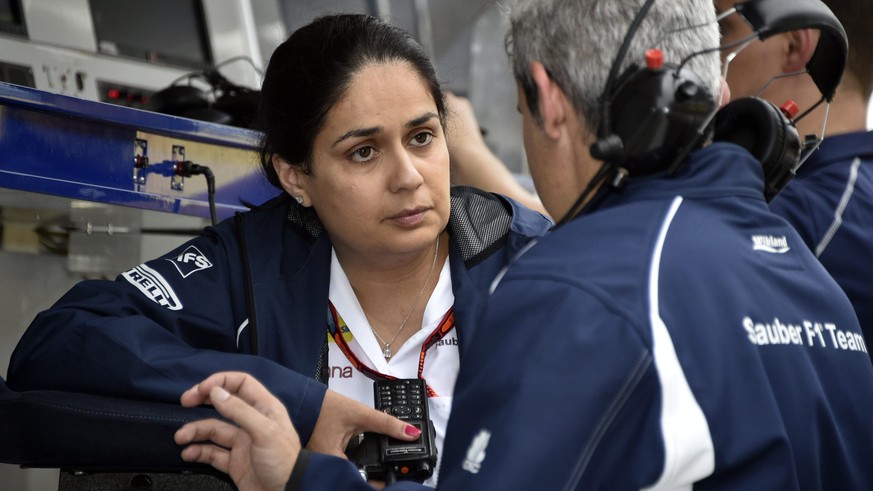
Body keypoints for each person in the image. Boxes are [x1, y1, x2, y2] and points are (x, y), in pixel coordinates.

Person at [174, 0, 873, 489]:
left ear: (546, 97)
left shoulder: (580, 288)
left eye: (425, 137)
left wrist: (303, 475)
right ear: (717, 93)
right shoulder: (810, 279)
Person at [5, 13, 551, 485]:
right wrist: (296, 404)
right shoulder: (253, 261)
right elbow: (59, 343)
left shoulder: (533, 264)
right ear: (296, 178)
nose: (408, 177)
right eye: (364, 152)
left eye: (422, 137)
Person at [717, 0, 873, 361]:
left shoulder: (803, 218)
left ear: (795, 45)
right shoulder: (844, 200)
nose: (712, 53)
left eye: (724, 30)